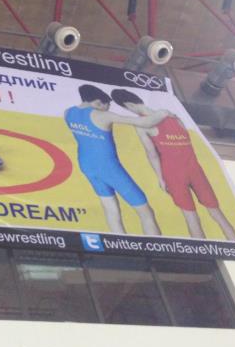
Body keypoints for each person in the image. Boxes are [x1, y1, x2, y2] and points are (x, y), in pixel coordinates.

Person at [110, 88, 235, 241]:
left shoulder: (142, 125)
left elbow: (152, 154)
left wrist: (160, 179)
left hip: (173, 174)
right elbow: (188, 143)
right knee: (217, 214)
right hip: (195, 169)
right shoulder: (175, 117)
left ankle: (201, 251)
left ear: (128, 105)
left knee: (191, 218)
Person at [65, 85, 169, 236]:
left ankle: (121, 245)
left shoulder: (68, 113)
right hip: (109, 168)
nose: (107, 110)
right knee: (145, 211)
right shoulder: (102, 115)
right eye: (107, 106)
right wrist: (163, 113)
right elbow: (146, 123)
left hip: (87, 166)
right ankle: (156, 248)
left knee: (111, 210)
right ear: (98, 102)